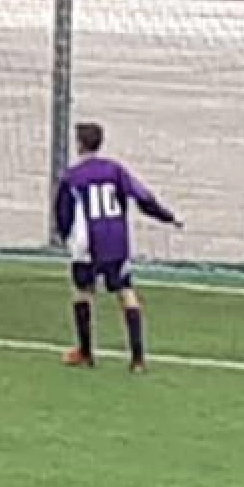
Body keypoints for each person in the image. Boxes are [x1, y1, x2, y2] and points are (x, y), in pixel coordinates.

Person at [55, 123, 182, 372]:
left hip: (88, 243)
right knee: (125, 291)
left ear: (80, 144)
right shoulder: (115, 170)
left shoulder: (72, 176)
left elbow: (62, 211)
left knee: (83, 292)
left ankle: (86, 352)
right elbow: (143, 197)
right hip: (116, 241)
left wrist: (65, 238)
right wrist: (166, 216)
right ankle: (137, 359)